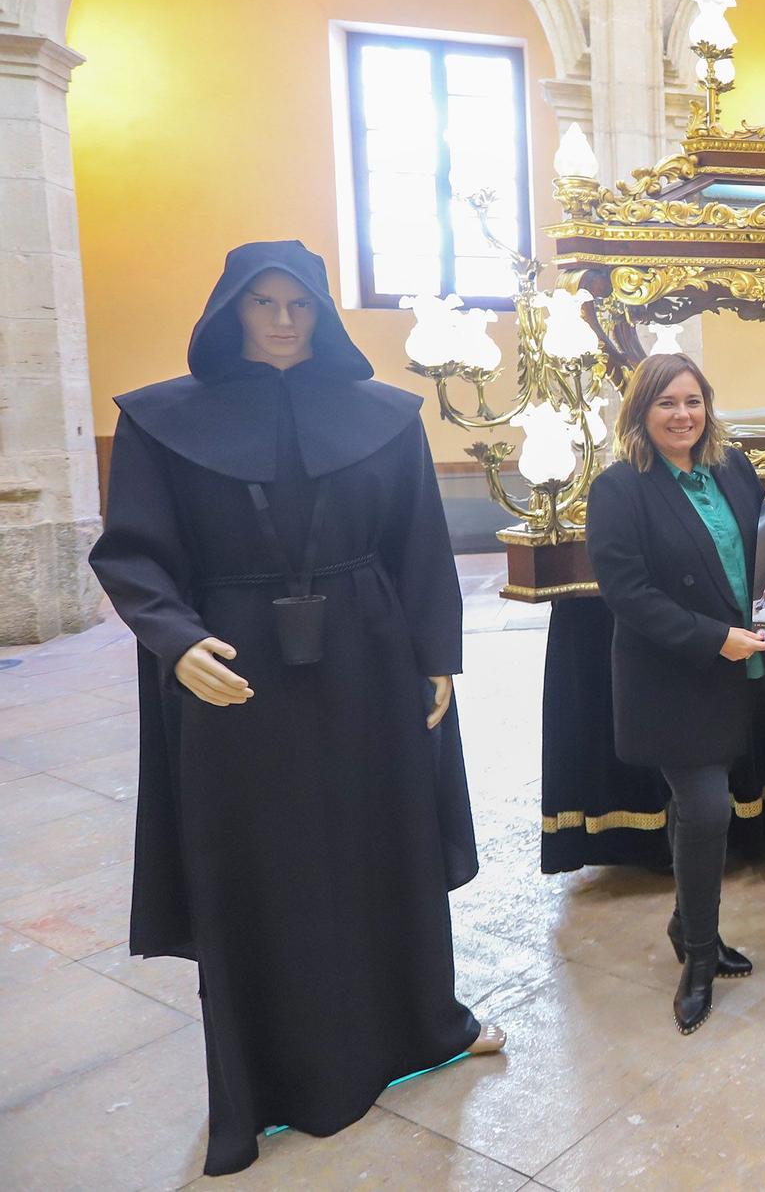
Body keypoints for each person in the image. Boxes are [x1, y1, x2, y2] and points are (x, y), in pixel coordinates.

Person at [87, 242, 500, 1176]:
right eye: (261, 303)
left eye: (298, 305)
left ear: (323, 315)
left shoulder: (385, 417)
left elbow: (419, 543)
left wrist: (438, 658)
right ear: (229, 311)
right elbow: (133, 553)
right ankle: (273, 1074)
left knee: (379, 841)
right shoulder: (161, 422)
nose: (280, 320)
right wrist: (175, 638)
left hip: (369, 656)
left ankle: (422, 1024)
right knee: (260, 863)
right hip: (235, 666)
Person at [586, 353, 765, 1032]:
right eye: (667, 403)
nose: (683, 414)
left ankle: (687, 921)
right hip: (672, 674)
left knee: (698, 811)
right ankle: (698, 956)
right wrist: (712, 637)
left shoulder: (734, 469)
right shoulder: (618, 489)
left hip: (734, 670)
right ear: (641, 411)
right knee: (706, 807)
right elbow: (628, 595)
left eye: (693, 400)